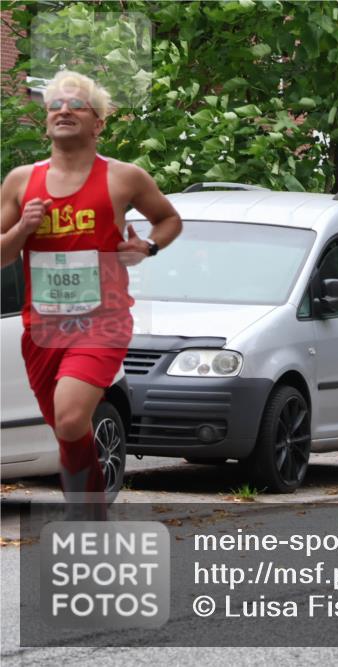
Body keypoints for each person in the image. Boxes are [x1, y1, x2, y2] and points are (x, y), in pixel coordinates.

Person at [0, 71, 181, 512]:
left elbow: (169, 219)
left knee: (71, 415)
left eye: (76, 104)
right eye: (55, 105)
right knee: (65, 426)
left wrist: (147, 246)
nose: (63, 110)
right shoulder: (21, 182)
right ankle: (92, 505)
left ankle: (86, 513)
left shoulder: (124, 178)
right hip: (42, 327)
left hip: (103, 321)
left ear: (98, 123)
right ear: (46, 122)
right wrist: (24, 227)